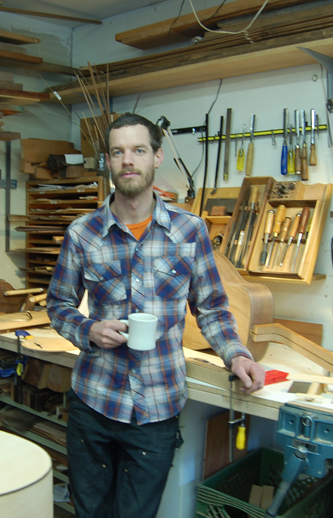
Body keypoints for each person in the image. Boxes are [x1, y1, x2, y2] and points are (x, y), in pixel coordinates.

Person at [46, 112, 265, 518]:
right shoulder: (82, 233)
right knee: (89, 513)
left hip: (157, 408)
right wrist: (89, 329)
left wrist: (237, 355)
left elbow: (212, 307)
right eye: (118, 152)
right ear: (108, 162)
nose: (128, 160)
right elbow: (58, 305)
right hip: (94, 404)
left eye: (138, 150)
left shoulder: (189, 231)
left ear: (157, 157)